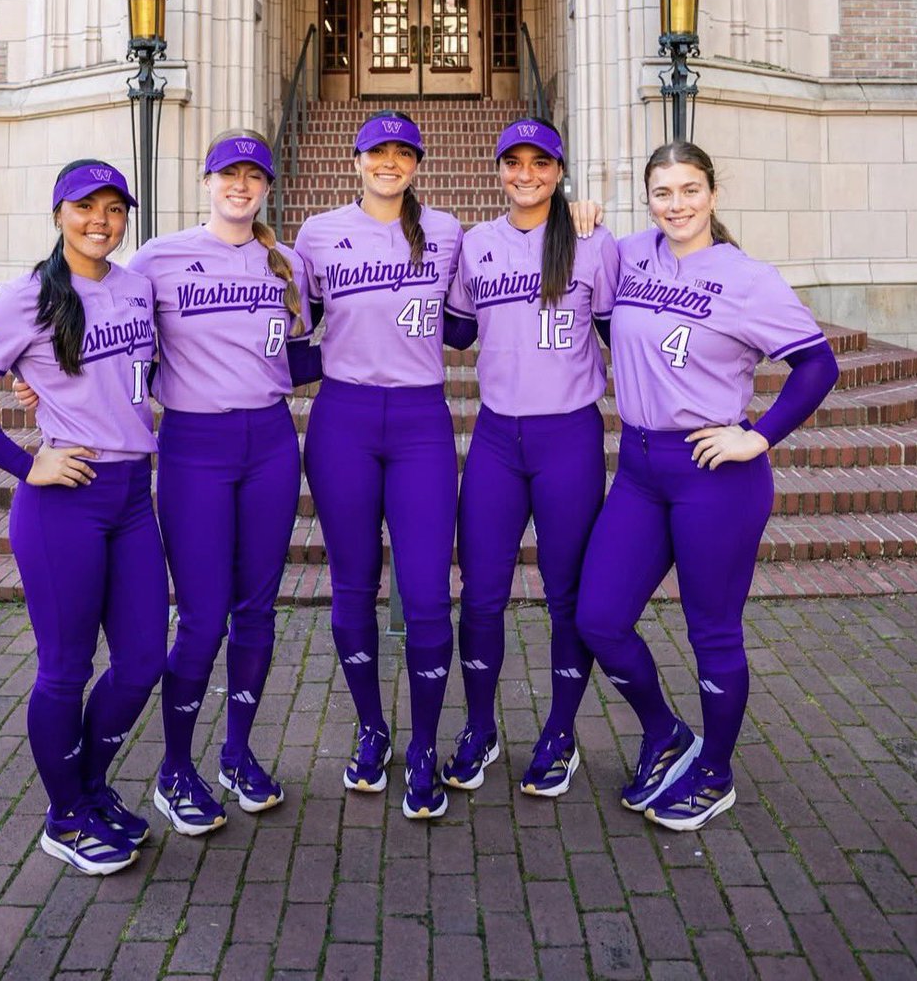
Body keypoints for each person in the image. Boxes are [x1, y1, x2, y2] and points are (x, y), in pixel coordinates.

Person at [576, 141, 839, 831]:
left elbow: (816, 366)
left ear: (712, 194)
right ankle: (665, 733)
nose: (676, 205)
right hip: (637, 468)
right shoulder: (632, 254)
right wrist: (581, 218)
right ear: (648, 198)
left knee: (711, 633)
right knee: (598, 618)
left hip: (713, 474)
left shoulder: (747, 278)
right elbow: (585, 277)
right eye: (662, 192)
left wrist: (757, 436)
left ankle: (714, 771)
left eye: (689, 190)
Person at [0, 160, 168, 876]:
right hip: (64, 498)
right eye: (84, 207)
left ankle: (91, 789)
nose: (100, 220)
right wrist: (25, 462)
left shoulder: (136, 288)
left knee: (140, 662)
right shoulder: (26, 295)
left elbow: (136, 375)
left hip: (133, 496)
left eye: (113, 208)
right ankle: (65, 816)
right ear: (58, 214)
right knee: (66, 669)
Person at [128, 130, 316, 834]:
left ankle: (236, 753)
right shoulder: (158, 258)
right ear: (205, 181)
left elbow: (299, 358)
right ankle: (176, 769)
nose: (240, 185)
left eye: (253, 176)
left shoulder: (285, 261)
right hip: (194, 446)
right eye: (227, 174)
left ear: (266, 187)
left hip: (269, 442)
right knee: (203, 615)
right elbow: (103, 329)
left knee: (258, 609)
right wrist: (36, 377)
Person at [440, 117, 620, 797]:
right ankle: (479, 727)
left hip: (567, 437)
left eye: (539, 162)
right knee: (479, 595)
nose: (525, 174)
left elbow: (621, 329)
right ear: (497, 170)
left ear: (557, 170)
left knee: (565, 595)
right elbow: (453, 329)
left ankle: (560, 734)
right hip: (495, 439)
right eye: (512, 162)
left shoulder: (589, 241)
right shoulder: (475, 243)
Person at [294, 110, 463, 819]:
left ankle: (423, 744)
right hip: (343, 421)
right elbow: (286, 332)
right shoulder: (315, 234)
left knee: (425, 593)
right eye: (376, 152)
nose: (389, 162)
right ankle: (371, 728)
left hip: (422, 422)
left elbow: (467, 324)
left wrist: (577, 220)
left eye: (402, 153)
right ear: (355, 160)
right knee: (351, 585)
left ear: (417, 164)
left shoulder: (448, 233)